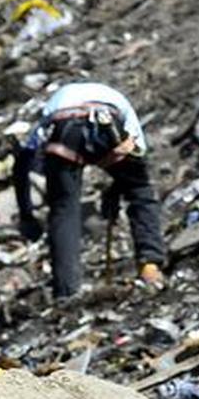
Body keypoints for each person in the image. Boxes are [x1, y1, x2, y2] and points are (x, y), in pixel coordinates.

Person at [13, 82, 165, 299]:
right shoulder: (121, 104)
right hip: (109, 122)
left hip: (64, 128)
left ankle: (67, 291)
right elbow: (136, 162)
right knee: (140, 193)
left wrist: (26, 215)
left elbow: (22, 162)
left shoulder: (53, 107)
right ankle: (150, 266)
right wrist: (120, 186)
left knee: (64, 209)